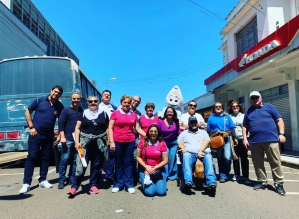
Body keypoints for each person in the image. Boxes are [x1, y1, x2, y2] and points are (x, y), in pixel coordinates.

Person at [19, 85, 64, 194]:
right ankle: (26, 183)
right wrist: (31, 127)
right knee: (32, 157)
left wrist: (59, 136)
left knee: (46, 157)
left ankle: (42, 180)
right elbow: (28, 112)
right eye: (55, 91)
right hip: (35, 134)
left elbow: (62, 121)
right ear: (51, 91)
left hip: (48, 136)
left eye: (58, 93)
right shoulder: (40, 100)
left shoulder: (59, 106)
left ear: (60, 95)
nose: (56, 94)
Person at [243, 91, 286, 195]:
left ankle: (279, 184)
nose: (255, 99)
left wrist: (281, 134)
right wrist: (245, 139)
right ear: (250, 100)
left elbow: (279, 120)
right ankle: (262, 182)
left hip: (271, 140)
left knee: (275, 162)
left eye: (256, 97)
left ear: (261, 97)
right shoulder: (248, 111)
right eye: (252, 98)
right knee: (258, 163)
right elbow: (245, 126)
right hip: (254, 141)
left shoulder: (269, 107)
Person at [68, 96, 109, 196]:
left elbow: (108, 128)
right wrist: (77, 142)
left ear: (98, 102)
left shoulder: (103, 113)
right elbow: (77, 128)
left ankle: (93, 184)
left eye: (95, 101)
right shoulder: (83, 113)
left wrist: (108, 140)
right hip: (84, 145)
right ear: (87, 103)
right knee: (80, 165)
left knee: (96, 166)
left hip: (99, 145)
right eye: (91, 101)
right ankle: (75, 187)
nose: (93, 103)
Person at [109, 95, 145, 194]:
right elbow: (110, 128)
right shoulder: (115, 114)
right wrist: (111, 141)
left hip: (130, 141)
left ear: (130, 104)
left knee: (128, 163)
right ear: (121, 103)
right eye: (125, 102)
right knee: (119, 163)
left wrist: (147, 135)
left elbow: (137, 129)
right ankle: (118, 184)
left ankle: (129, 184)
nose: (126, 104)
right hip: (118, 141)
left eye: (128, 103)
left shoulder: (134, 115)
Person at [178, 116, 217, 191]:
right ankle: (188, 182)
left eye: (194, 122)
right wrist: (182, 148)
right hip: (189, 153)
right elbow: (179, 142)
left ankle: (211, 182)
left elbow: (207, 141)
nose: (193, 124)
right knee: (185, 156)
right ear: (188, 124)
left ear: (197, 123)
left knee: (208, 158)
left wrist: (200, 150)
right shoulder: (184, 133)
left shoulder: (203, 132)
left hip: (203, 153)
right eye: (191, 122)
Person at [57, 92, 83, 189]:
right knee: (65, 159)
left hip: (78, 141)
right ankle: (61, 180)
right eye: (74, 98)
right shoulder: (66, 110)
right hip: (67, 139)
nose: (76, 100)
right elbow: (61, 124)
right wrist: (62, 136)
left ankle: (72, 178)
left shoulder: (82, 111)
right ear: (71, 99)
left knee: (76, 160)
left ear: (80, 99)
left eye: (78, 98)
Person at [206, 102, 235, 183]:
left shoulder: (227, 116)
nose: (218, 108)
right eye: (216, 107)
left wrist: (235, 138)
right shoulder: (211, 117)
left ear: (222, 108)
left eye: (219, 106)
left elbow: (232, 128)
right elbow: (208, 130)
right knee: (220, 157)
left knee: (227, 157)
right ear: (214, 108)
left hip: (226, 138)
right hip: (216, 139)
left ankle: (226, 171)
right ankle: (222, 175)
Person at [136, 124, 168, 197]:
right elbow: (138, 157)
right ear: (148, 132)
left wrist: (154, 168)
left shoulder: (162, 143)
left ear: (158, 133)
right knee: (150, 193)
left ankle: (156, 182)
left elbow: (165, 161)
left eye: (155, 131)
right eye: (151, 131)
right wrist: (146, 167)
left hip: (158, 170)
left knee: (161, 193)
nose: (153, 133)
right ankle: (145, 182)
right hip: (145, 170)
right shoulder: (142, 142)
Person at [228, 102, 250, 185]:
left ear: (239, 107)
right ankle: (237, 174)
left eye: (236, 106)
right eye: (233, 106)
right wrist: (233, 138)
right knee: (235, 158)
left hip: (243, 139)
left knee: (244, 158)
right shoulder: (229, 117)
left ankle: (246, 176)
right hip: (234, 139)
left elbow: (248, 126)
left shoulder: (244, 115)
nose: (235, 107)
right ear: (231, 108)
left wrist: (247, 138)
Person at [98, 90, 117, 183]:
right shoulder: (97, 106)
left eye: (108, 95)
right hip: (98, 134)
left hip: (110, 134)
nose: (107, 96)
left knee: (110, 155)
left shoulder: (114, 108)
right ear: (101, 96)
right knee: (99, 155)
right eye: (105, 95)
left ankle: (109, 174)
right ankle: (98, 175)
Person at [158, 106, 180, 181]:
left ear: (173, 113)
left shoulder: (176, 122)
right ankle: (165, 174)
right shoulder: (161, 121)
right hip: (164, 142)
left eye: (171, 112)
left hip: (174, 143)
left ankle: (172, 174)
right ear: (165, 113)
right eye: (168, 112)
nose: (169, 113)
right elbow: (158, 132)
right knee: (165, 158)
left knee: (172, 158)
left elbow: (179, 132)